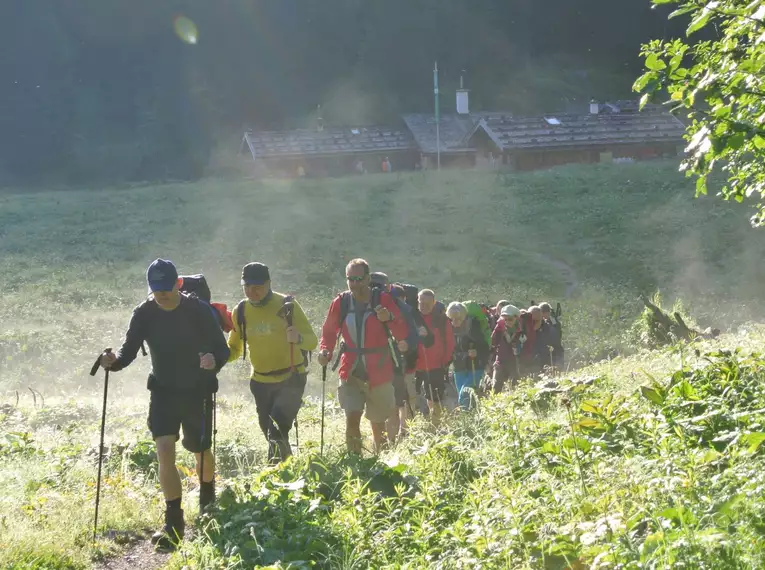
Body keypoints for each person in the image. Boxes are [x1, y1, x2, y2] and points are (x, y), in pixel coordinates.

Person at [99, 259, 230, 550]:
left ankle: (208, 501)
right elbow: (127, 352)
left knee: (200, 449)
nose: (162, 295)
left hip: (197, 390)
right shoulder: (144, 313)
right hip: (163, 392)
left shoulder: (198, 311)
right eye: (156, 290)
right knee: (164, 452)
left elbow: (222, 349)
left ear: (178, 284)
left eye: (167, 289)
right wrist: (113, 363)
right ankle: (173, 524)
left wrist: (214, 361)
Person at [227, 262, 318, 464]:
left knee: (276, 430)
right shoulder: (240, 311)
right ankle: (289, 468)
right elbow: (234, 349)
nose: (253, 291)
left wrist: (299, 339)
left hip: (291, 378)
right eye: (247, 286)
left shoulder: (287, 305)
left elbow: (312, 340)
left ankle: (273, 475)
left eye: (258, 286)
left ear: (269, 283)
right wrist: (215, 356)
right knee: (271, 433)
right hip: (260, 382)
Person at [317, 259, 409, 454]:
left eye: (359, 279)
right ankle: (355, 462)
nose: (355, 284)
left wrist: (389, 318)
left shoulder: (383, 300)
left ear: (368, 278)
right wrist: (326, 350)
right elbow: (329, 331)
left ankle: (381, 463)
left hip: (379, 372)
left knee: (378, 425)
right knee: (352, 419)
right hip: (350, 370)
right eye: (350, 279)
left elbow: (402, 331)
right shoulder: (340, 302)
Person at [416, 289, 454, 425]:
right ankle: (413, 427)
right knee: (409, 398)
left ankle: (435, 425)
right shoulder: (411, 318)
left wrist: (444, 362)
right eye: (421, 303)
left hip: (435, 366)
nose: (423, 306)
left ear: (434, 303)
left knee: (434, 398)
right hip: (413, 365)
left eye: (427, 303)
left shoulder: (442, 321)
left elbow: (450, 343)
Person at [446, 302, 490, 410]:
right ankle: (471, 418)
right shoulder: (449, 327)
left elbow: (485, 346)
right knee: (465, 395)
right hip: (459, 366)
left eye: (458, 319)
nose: (454, 322)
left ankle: (465, 419)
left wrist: (477, 352)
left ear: (464, 317)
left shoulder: (473, 326)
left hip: (475, 365)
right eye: (452, 319)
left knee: (464, 393)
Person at [491, 304, 522, 393]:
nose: (508, 322)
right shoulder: (499, 329)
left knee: (515, 388)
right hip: (501, 360)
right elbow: (493, 342)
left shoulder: (522, 329)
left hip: (516, 362)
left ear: (516, 318)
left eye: (510, 319)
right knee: (496, 387)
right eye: (505, 319)